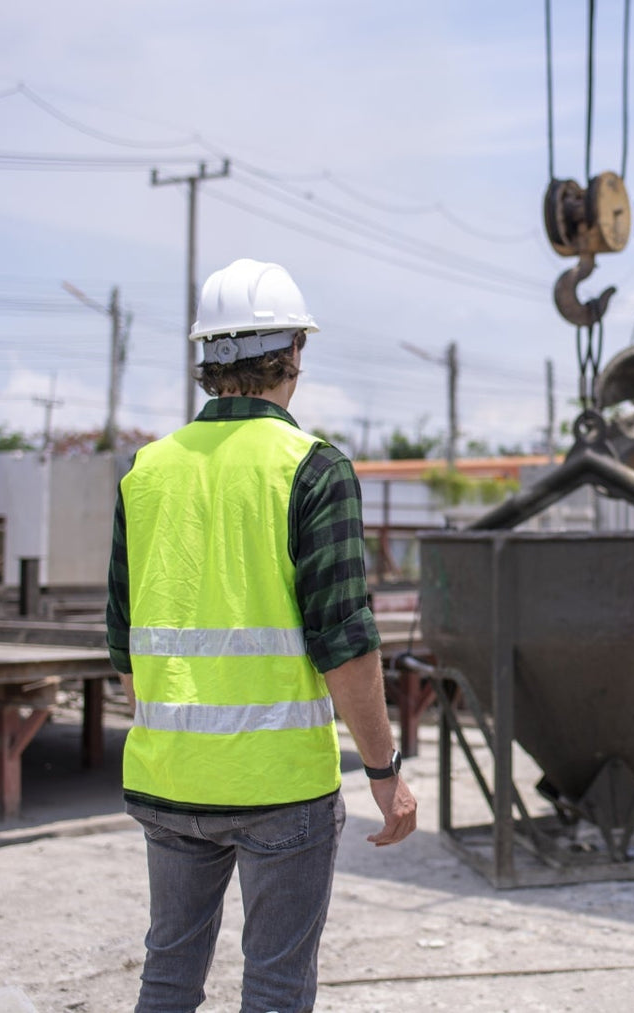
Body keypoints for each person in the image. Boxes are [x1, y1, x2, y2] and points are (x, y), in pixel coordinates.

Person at [106, 258, 417, 1013]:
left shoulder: (146, 471)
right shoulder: (312, 468)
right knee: (276, 989)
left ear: (207, 362)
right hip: (281, 789)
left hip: (169, 778)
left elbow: (125, 650)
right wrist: (385, 770)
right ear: (293, 357)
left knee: (169, 975)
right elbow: (345, 642)